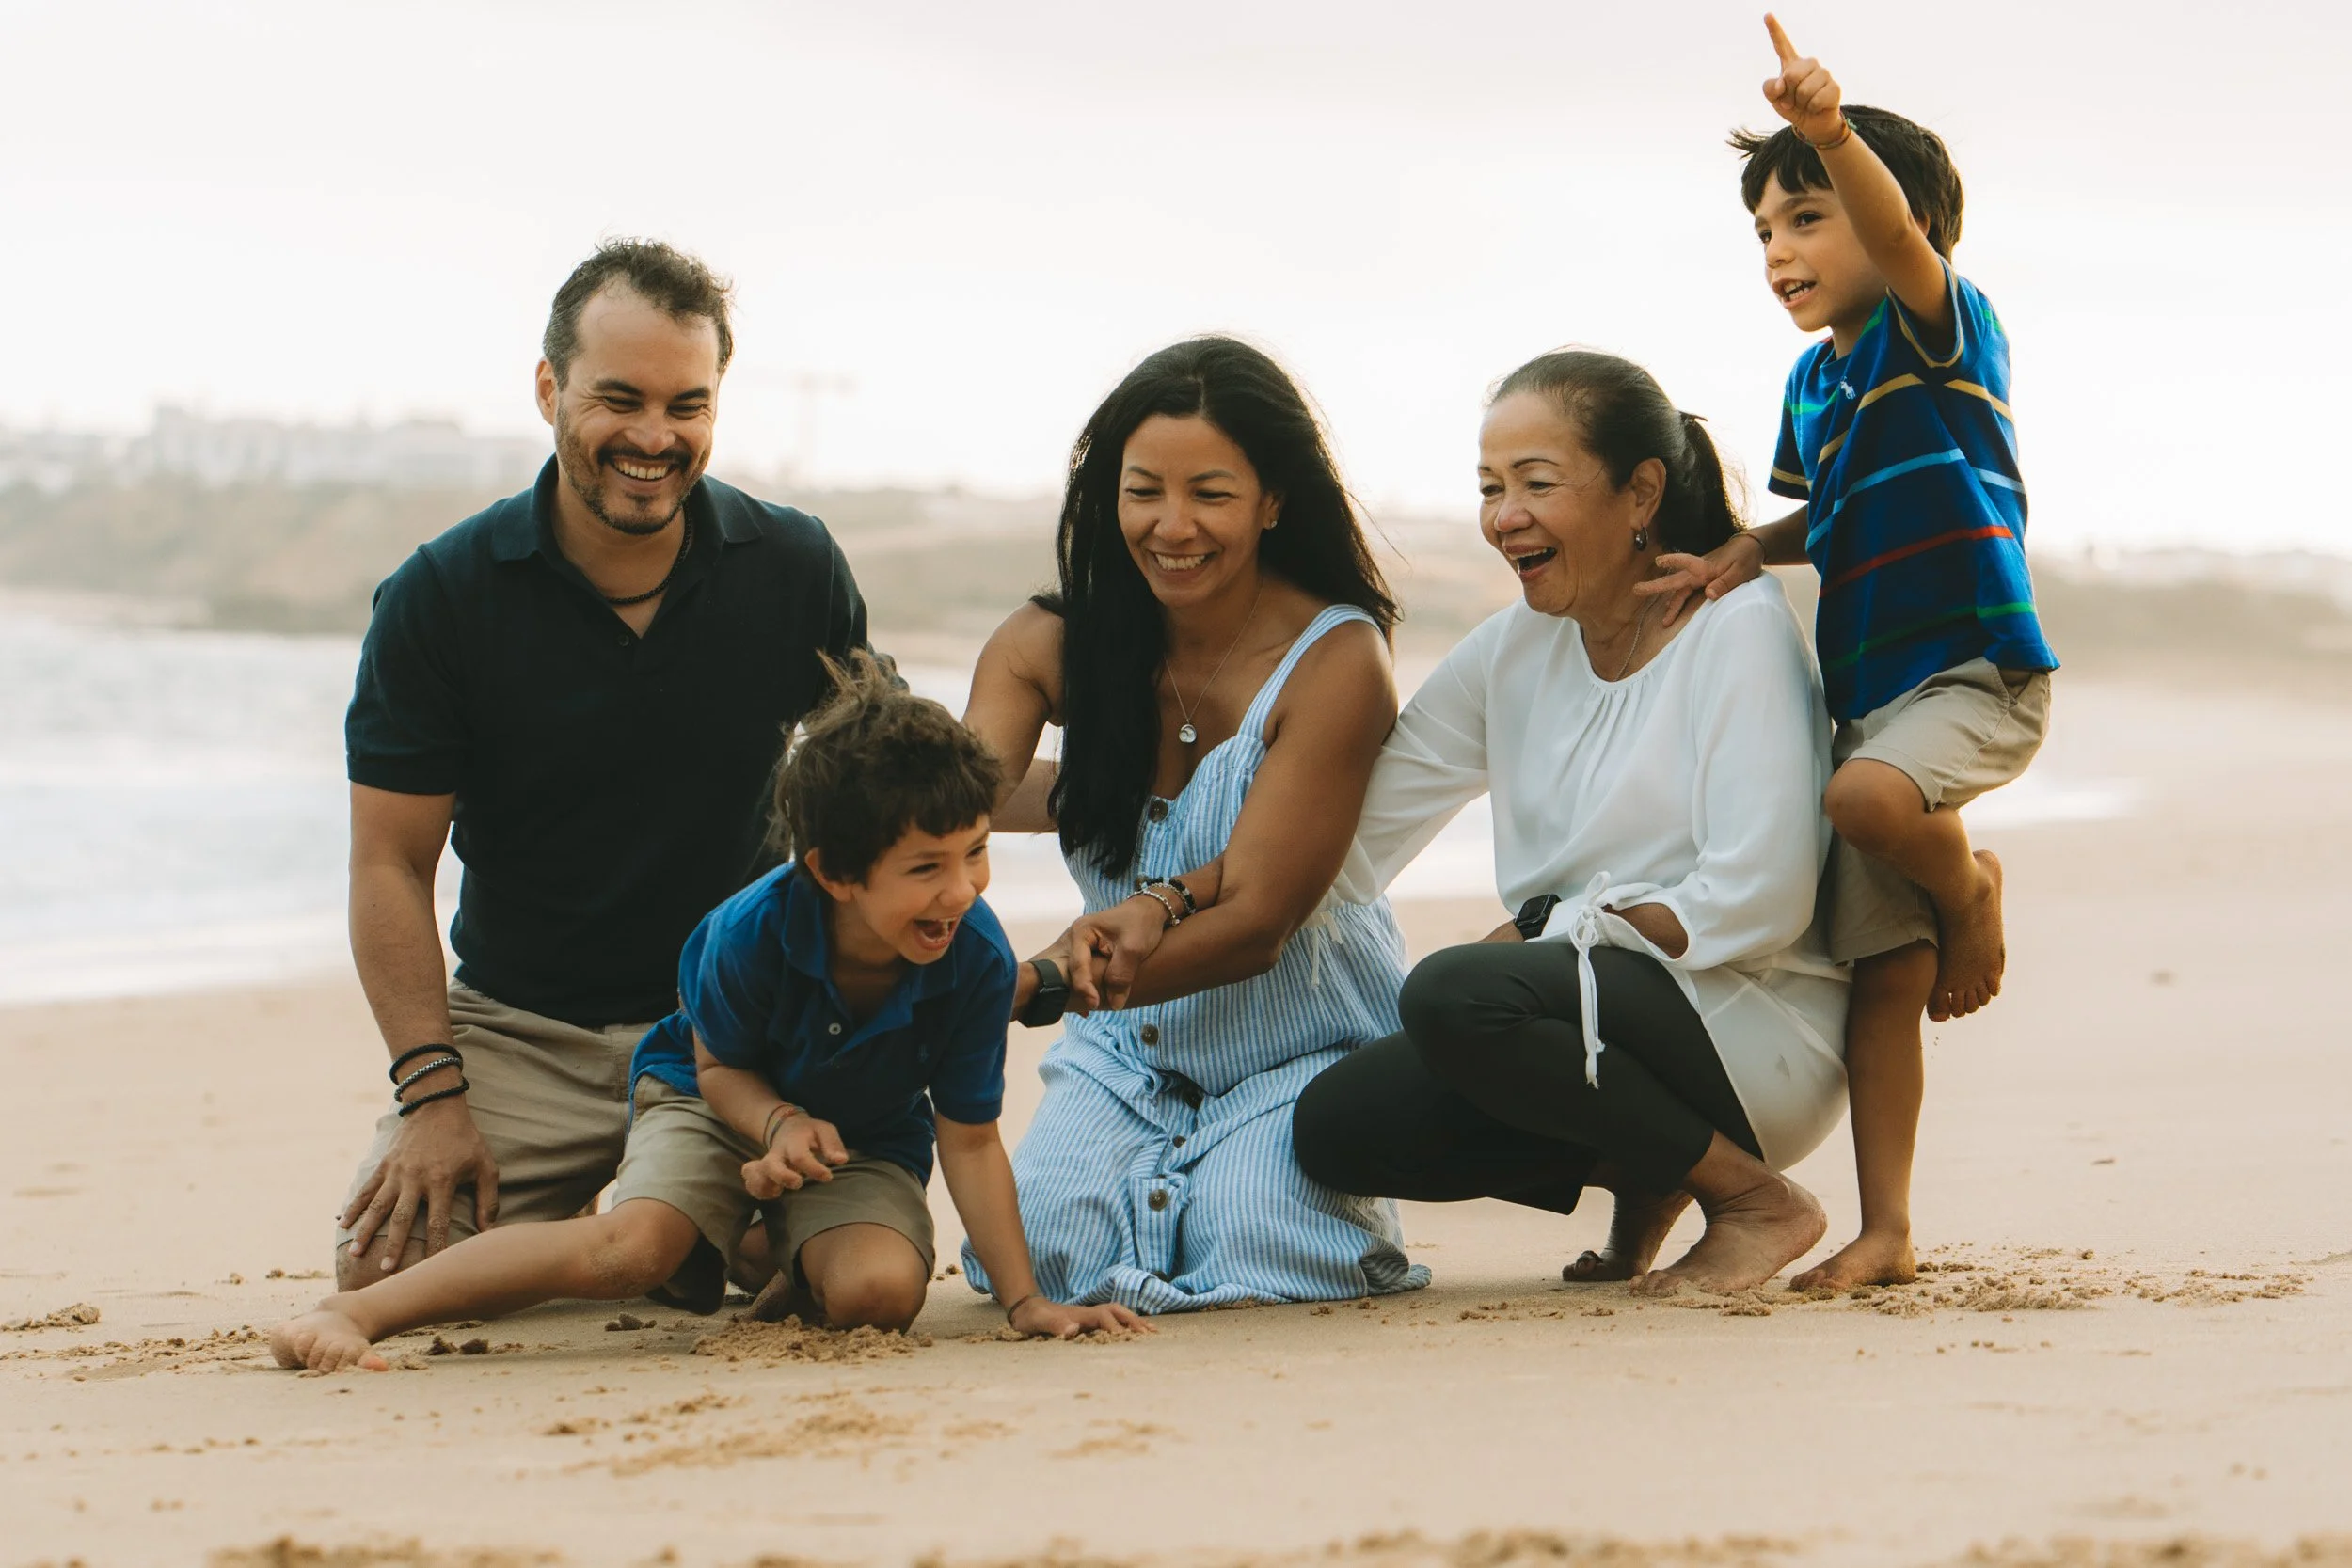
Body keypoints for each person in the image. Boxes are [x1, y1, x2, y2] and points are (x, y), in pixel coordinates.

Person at [273, 657, 1146, 1371]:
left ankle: (756, 1243)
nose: (961, 891)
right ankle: (361, 1310)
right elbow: (720, 1067)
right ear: (834, 872)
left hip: (861, 1138)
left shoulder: (976, 955)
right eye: (926, 868)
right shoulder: (746, 934)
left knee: (877, 1296)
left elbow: (967, 1137)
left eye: (976, 853)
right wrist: (776, 1122)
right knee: (634, 1251)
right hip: (711, 1097)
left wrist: (1028, 1300)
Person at [333, 240, 872, 1289]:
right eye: (618, 398)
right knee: (376, 1271)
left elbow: (892, 782)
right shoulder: (441, 596)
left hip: (738, 1023)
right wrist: (434, 1098)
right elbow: (388, 866)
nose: (654, 436)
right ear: (548, 388)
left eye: (688, 405)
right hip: (523, 1026)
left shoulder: (794, 566)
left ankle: (671, 1212)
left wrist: (1114, 792)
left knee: (812, 1272)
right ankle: (617, 1201)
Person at [1286, 350, 1851, 1296]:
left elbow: (1760, 896)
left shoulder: (1735, 625)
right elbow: (1357, 835)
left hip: (1757, 1027)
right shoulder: (1517, 643)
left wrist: (1549, 936)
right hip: (1592, 1010)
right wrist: (1204, 901)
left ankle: (1754, 1197)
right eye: (1489, 487)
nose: (1504, 516)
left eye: (1535, 483)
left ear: (1640, 493)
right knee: (1338, 1124)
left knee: (1454, 992)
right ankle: (1653, 1166)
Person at [1642, 16, 2058, 1291]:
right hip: (1871, 690)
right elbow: (1822, 512)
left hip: (1978, 669)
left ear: (1897, 231)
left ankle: (1973, 890)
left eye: (1809, 217)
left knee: (1867, 801)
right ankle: (1888, 1226)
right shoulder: (1814, 386)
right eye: (1765, 229)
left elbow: (1901, 243)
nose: (1781, 250)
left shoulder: (1936, 326)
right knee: (1886, 976)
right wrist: (1733, 557)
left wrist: (1831, 131)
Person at [957, 336, 1430, 1312]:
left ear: (1271, 499)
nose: (1172, 526)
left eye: (1209, 493)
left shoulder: (1335, 658)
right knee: (1039, 1251)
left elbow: (1255, 918)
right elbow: (949, 808)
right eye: (1144, 491)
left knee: (1261, 1245)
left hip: (1301, 1037)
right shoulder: (1045, 643)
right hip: (1123, 1049)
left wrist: (1044, 982)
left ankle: (1285, 1185)